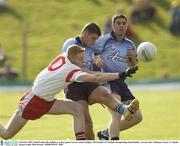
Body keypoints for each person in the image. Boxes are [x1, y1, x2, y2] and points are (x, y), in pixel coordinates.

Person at [0, 45, 138, 140]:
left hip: (48, 100)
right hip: (32, 100)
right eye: (80, 59)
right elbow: (96, 77)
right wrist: (121, 74)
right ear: (72, 57)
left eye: (83, 59)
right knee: (6, 134)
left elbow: (91, 72)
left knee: (77, 108)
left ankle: (81, 141)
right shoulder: (72, 70)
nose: (82, 62)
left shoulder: (64, 56)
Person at [61, 23, 139, 140]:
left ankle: (124, 110)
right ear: (85, 34)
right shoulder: (71, 44)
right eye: (93, 38)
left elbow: (107, 49)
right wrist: (111, 74)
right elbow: (72, 67)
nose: (94, 41)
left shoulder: (92, 45)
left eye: (96, 39)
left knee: (104, 94)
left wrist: (128, 56)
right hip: (74, 85)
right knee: (87, 123)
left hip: (89, 82)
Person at [92, 13, 143, 140]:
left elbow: (133, 63)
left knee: (137, 117)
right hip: (107, 82)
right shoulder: (104, 40)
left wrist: (132, 59)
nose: (121, 26)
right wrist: (96, 58)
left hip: (121, 82)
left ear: (126, 26)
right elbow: (89, 51)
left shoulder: (130, 44)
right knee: (116, 114)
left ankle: (106, 133)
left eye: (123, 23)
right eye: (118, 23)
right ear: (113, 26)